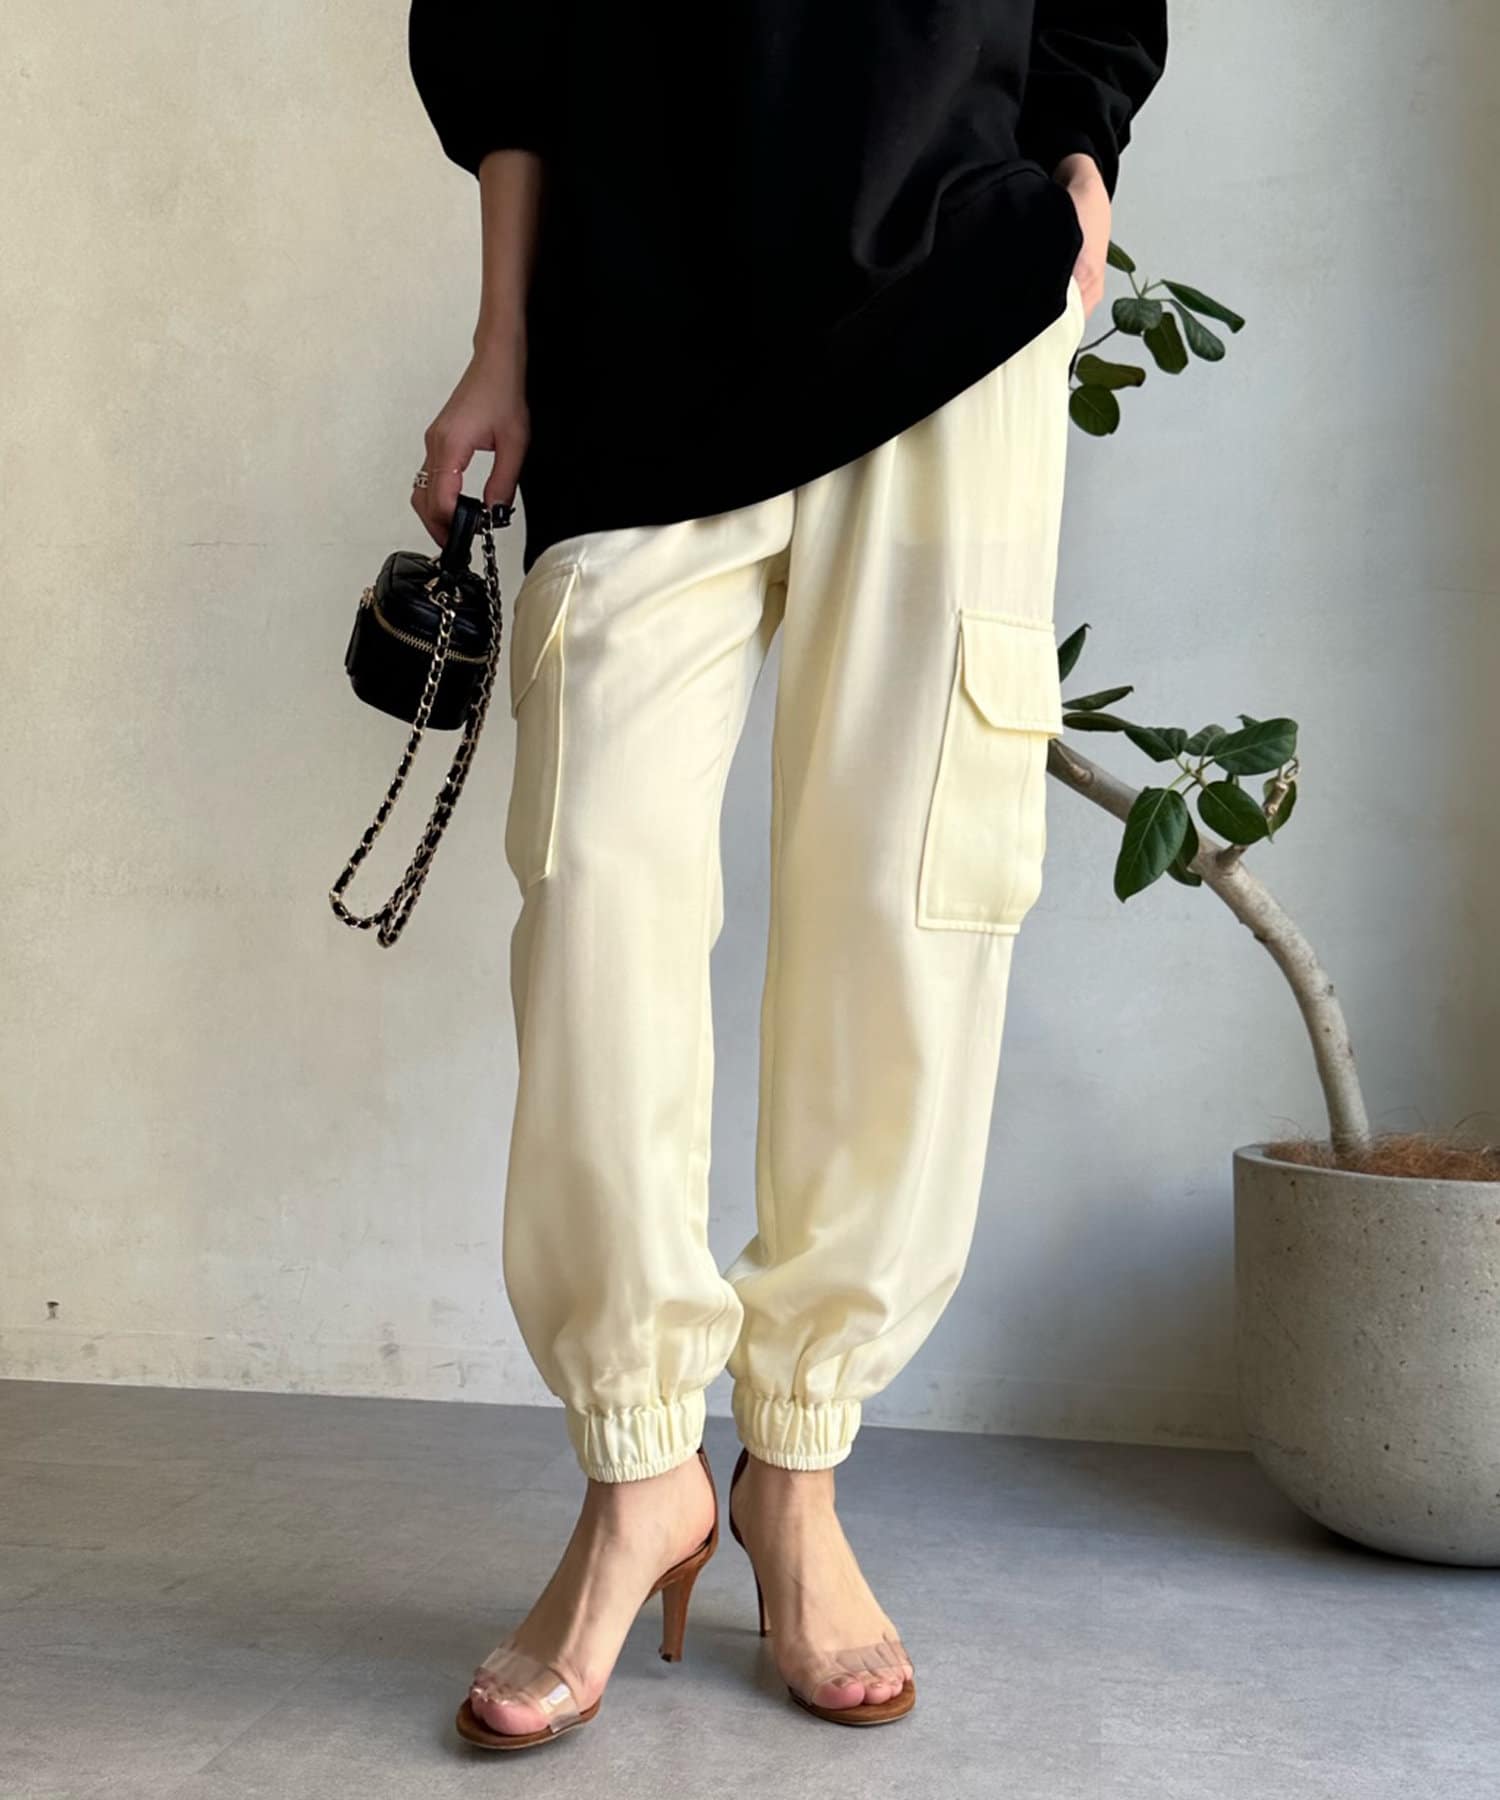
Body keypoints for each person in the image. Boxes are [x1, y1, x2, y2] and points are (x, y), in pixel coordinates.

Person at [406, 0, 1167, 1750]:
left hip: (960, 301)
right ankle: (641, 1474)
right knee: (595, 894)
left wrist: (1082, 180)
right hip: (636, 318)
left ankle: (798, 1475)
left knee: (911, 905)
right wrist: (501, 337)